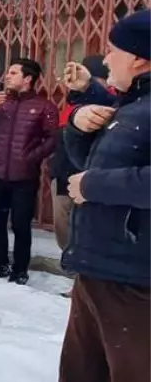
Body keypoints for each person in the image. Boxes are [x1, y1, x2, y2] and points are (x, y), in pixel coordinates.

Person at [14, 9, 151, 382]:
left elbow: (97, 182)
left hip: (137, 278)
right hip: (94, 267)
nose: (105, 58)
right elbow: (70, 168)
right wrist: (77, 128)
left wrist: (97, 182)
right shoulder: (125, 108)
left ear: (140, 57)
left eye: (114, 50)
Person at [0, 57, 59, 285]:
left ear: (27, 79)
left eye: (13, 72)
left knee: (20, 224)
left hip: (24, 177)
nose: (6, 76)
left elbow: (53, 139)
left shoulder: (44, 106)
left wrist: (31, 157)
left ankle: (20, 269)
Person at [50, 56, 116, 251]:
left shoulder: (110, 108)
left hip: (89, 180)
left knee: (87, 235)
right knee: (63, 230)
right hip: (63, 177)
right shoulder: (71, 106)